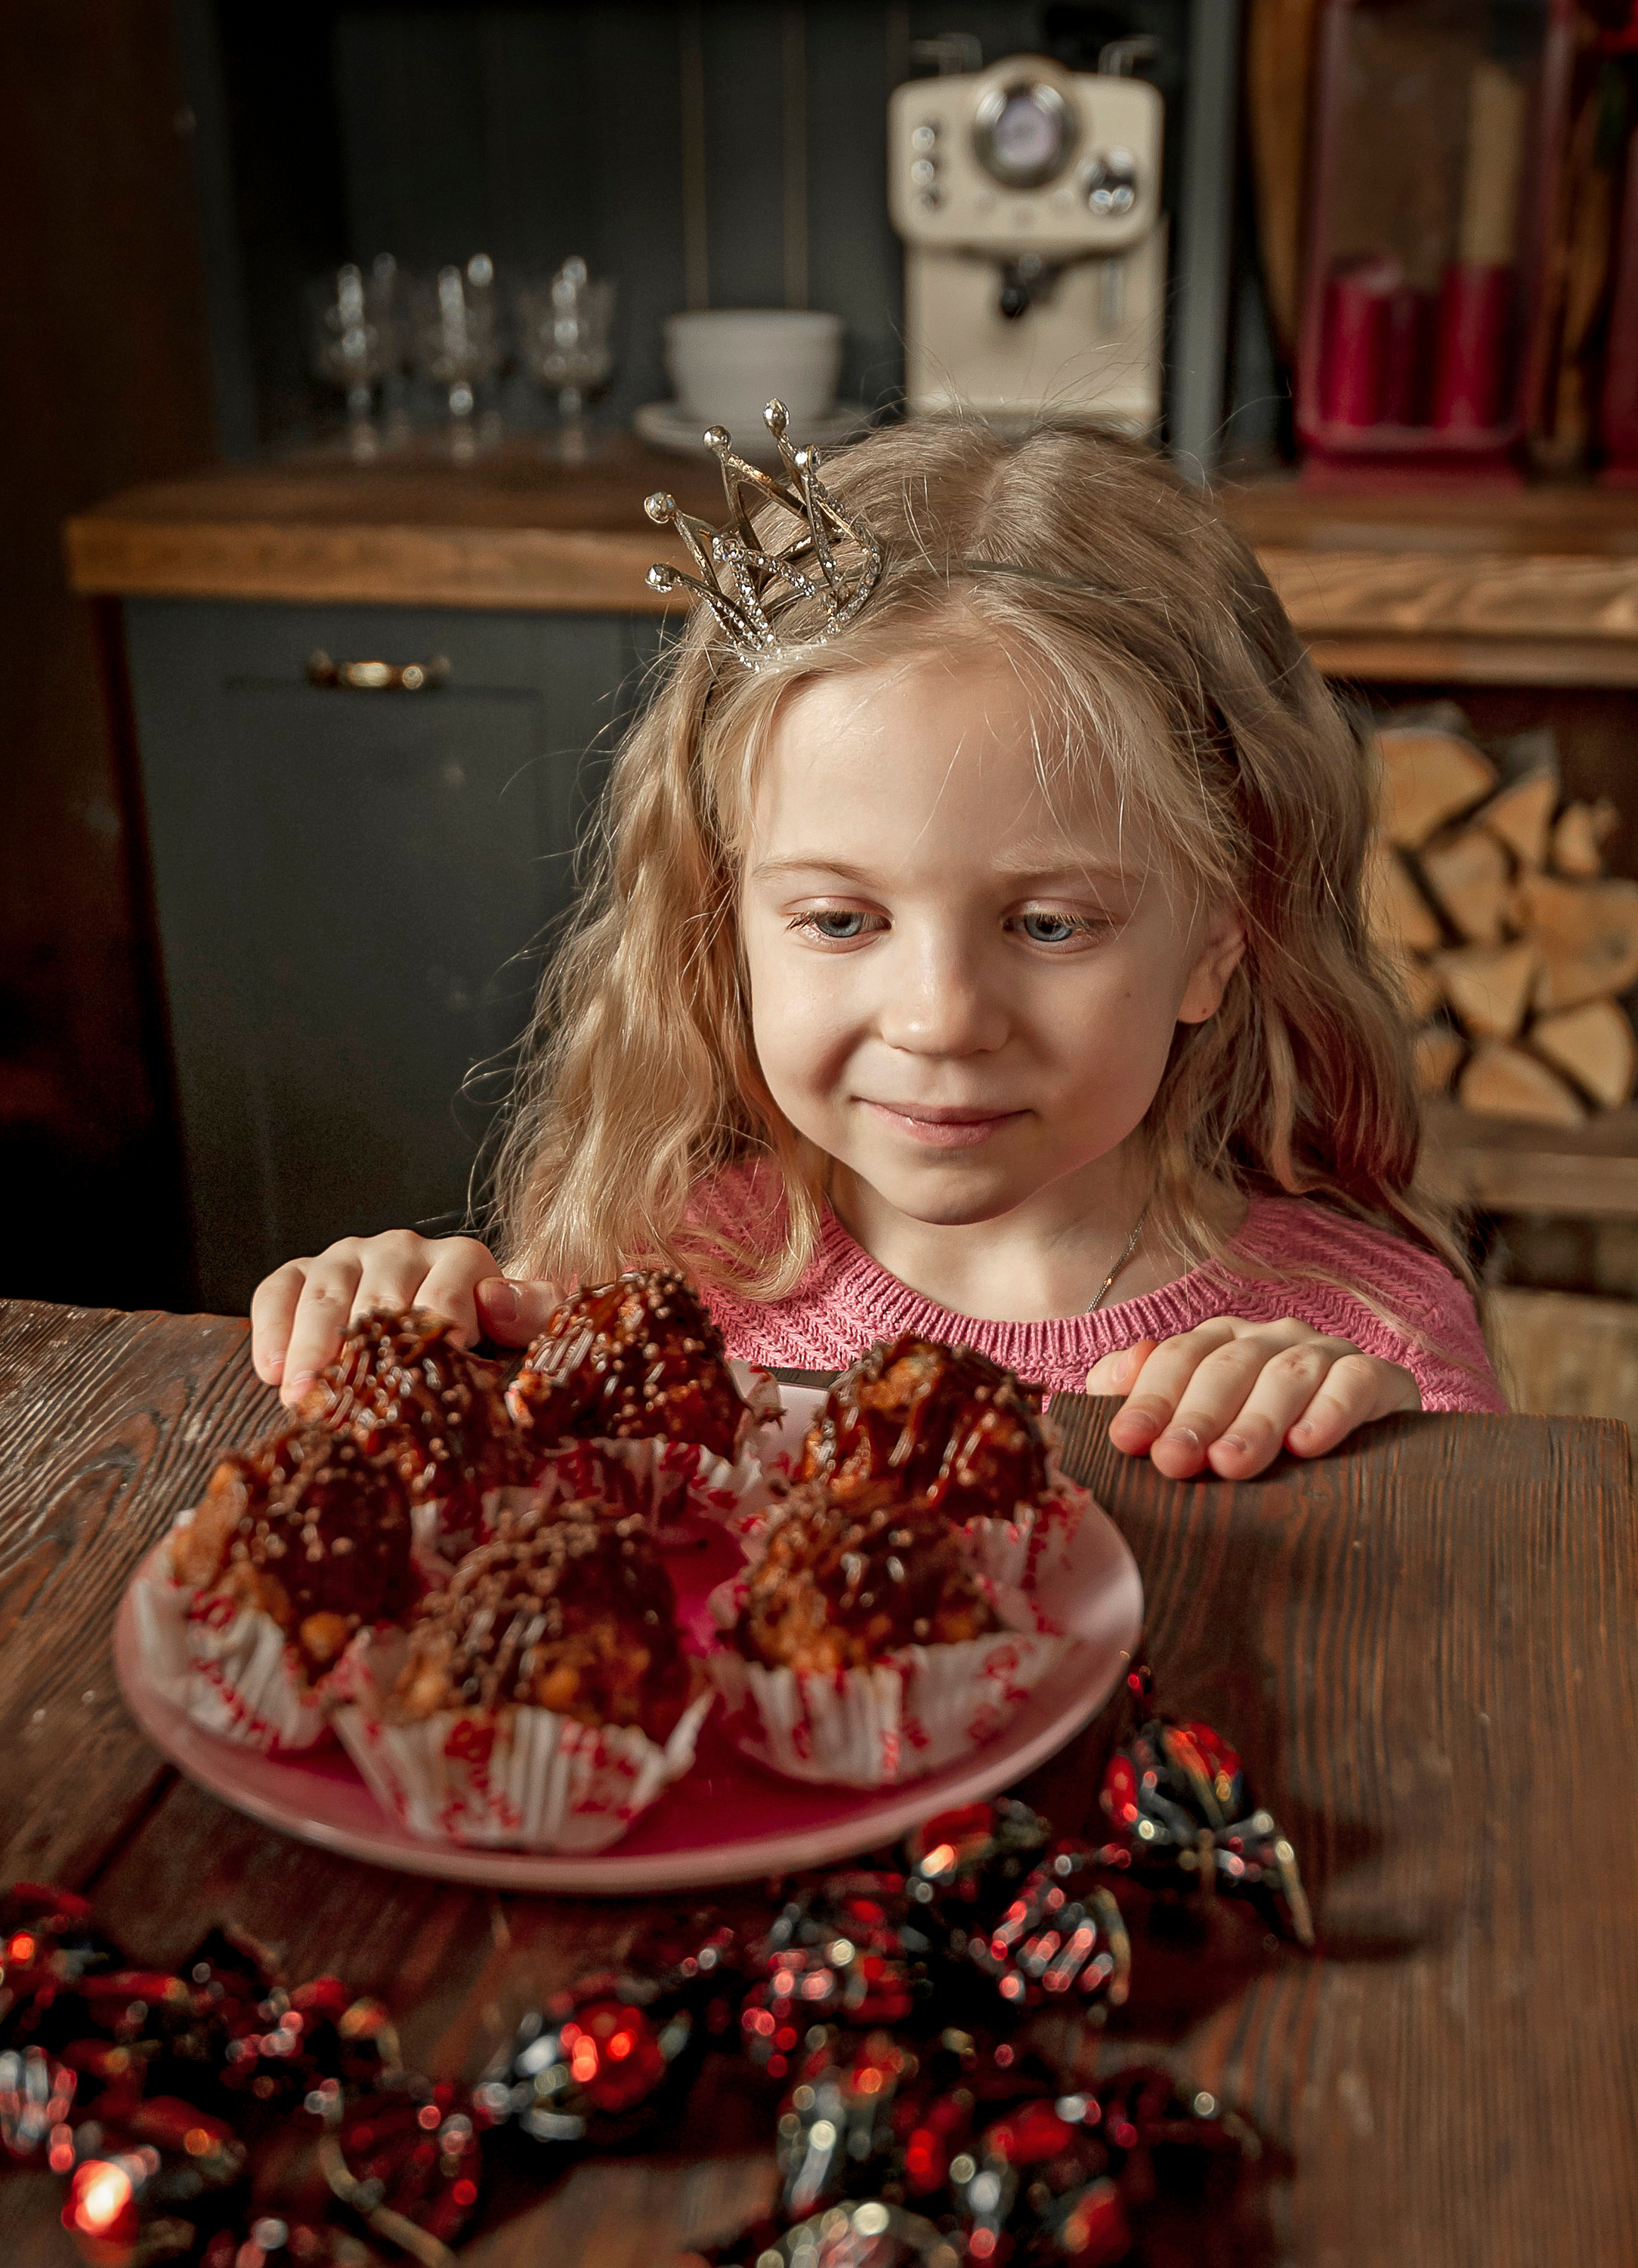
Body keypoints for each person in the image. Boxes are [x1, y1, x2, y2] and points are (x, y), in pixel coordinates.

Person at [250, 419, 1502, 1477]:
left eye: (1050, 924)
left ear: (1217, 942)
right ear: (724, 925)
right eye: (841, 921)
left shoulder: (1368, 1338)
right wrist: (419, 1335)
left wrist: (1383, 1458)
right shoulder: (651, 1282)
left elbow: (1473, 1645)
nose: (940, 1018)